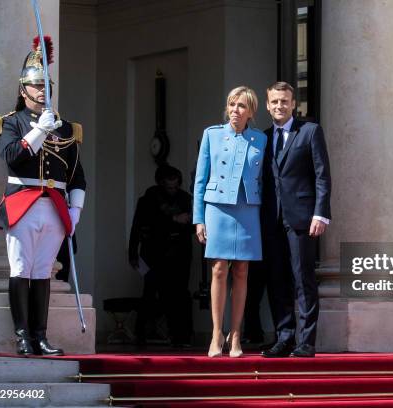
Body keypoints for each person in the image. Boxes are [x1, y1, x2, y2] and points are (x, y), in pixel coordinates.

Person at [0, 36, 86, 356]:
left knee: (43, 271)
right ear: (23, 90)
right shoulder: (9, 123)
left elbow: (76, 176)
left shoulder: (66, 128)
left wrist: (76, 211)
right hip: (22, 203)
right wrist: (40, 130)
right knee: (21, 269)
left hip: (55, 206)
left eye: (46, 85)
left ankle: (40, 336)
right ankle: (22, 337)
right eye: (35, 85)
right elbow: (13, 156)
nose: (43, 91)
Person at [193, 86, 267, 357]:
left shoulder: (261, 140)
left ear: (251, 112)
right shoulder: (211, 135)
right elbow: (200, 179)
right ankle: (216, 333)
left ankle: (236, 335)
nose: (236, 110)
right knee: (218, 269)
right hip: (217, 208)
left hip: (247, 208)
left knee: (242, 271)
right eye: (232, 104)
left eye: (241, 106)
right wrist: (198, 219)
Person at [261, 82, 331, 358]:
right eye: (275, 101)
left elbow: (322, 175)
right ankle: (284, 337)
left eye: (285, 101)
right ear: (267, 105)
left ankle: (306, 341)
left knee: (303, 280)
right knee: (276, 280)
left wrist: (321, 213)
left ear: (293, 104)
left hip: (302, 218)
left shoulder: (310, 131)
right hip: (270, 219)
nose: (280, 105)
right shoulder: (263, 138)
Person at [129, 164, 194, 347]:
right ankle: (140, 334)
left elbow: (193, 225)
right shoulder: (149, 199)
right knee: (150, 293)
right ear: (160, 184)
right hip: (154, 253)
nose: (173, 190)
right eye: (168, 186)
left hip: (179, 253)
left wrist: (185, 221)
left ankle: (181, 336)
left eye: (175, 186)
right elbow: (140, 226)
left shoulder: (185, 199)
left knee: (179, 295)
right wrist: (132, 253)